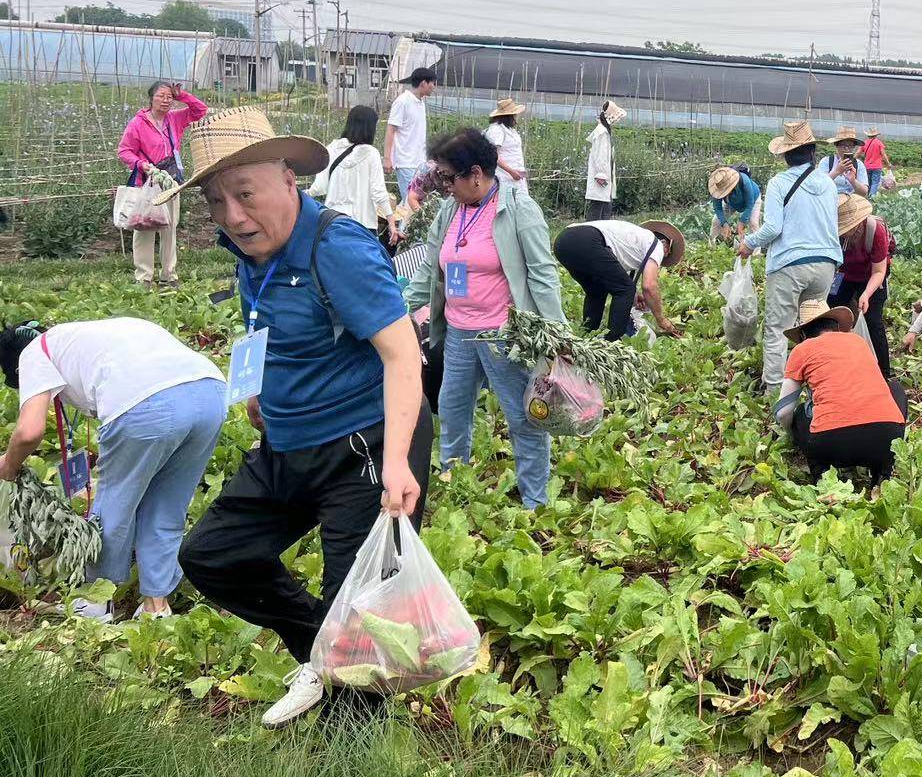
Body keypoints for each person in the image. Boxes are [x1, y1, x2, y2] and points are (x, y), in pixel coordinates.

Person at [163, 106, 431, 729]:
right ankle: (323, 648)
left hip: (361, 444)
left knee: (356, 602)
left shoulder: (336, 247)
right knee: (213, 556)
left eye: (245, 193)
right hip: (286, 442)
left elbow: (402, 355)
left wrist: (396, 461)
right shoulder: (247, 248)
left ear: (288, 179)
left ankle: (350, 766)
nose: (231, 215)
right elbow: (256, 322)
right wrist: (253, 392)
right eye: (215, 200)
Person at [0, 319, 226, 621]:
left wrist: (9, 465)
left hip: (146, 405)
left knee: (114, 509)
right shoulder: (89, 334)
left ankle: (96, 602)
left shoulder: (32, 353)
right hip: (211, 393)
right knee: (167, 506)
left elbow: (29, 432)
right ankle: (156, 607)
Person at [405, 129, 566, 510]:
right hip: (458, 332)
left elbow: (542, 273)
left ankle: (535, 503)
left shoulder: (517, 209)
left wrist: (559, 336)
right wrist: (396, 311)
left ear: (476, 174)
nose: (443, 186)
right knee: (453, 408)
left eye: (449, 177)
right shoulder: (450, 210)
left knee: (522, 416)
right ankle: (454, 484)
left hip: (503, 334)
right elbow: (430, 269)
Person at [738, 121, 842, 396]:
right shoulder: (828, 184)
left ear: (786, 154)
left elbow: (773, 227)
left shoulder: (779, 182)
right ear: (812, 152)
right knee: (814, 328)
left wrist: (749, 244)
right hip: (825, 264)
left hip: (789, 265)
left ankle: (775, 394)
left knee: (778, 329)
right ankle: (815, 387)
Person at [774, 300, 907, 487]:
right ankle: (883, 472)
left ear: (804, 334)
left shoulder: (802, 349)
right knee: (895, 389)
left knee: (799, 415)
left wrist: (793, 435)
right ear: (836, 326)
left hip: (831, 445)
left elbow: (782, 411)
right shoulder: (858, 341)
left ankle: (822, 475)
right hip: (885, 439)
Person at [116, 79, 209, 287]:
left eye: (169, 97)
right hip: (148, 182)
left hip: (171, 181)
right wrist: (141, 164)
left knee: (169, 228)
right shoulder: (138, 123)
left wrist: (182, 96)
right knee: (145, 227)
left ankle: (169, 275)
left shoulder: (174, 120)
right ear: (151, 99)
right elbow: (124, 151)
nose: (165, 101)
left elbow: (200, 110)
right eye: (161, 96)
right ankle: (144, 278)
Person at [552, 218, 685, 343]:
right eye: (664, 258)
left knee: (597, 291)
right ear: (667, 248)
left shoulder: (635, 240)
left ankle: (587, 333)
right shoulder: (658, 246)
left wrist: (633, 296)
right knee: (625, 290)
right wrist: (661, 319)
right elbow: (649, 286)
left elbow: (615, 277)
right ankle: (612, 342)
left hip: (563, 242)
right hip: (588, 241)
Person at [310, 105, 400, 247]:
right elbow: (378, 192)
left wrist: (301, 194)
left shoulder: (331, 150)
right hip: (362, 225)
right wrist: (391, 221)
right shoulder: (371, 153)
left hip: (332, 222)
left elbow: (319, 188)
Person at [830, 194, 894, 376]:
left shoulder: (875, 231)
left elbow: (879, 272)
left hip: (872, 276)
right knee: (832, 311)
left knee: (873, 321)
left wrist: (865, 294)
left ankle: (884, 373)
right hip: (844, 274)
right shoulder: (834, 233)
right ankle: (838, 358)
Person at [384, 67, 436, 201]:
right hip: (405, 162)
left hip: (419, 162)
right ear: (423, 83)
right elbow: (391, 129)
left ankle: (401, 222)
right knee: (410, 204)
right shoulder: (402, 101)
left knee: (417, 203)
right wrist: (387, 158)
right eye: (433, 83)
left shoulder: (420, 103)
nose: (434, 87)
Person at [584, 99, 625, 220]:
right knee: (598, 207)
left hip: (604, 176)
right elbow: (601, 156)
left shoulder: (604, 131)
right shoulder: (602, 133)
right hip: (601, 177)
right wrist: (601, 175)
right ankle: (591, 232)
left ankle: (601, 233)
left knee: (604, 205)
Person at [484, 98, 530, 196]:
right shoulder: (496, 130)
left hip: (515, 176)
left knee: (520, 203)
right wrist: (511, 171)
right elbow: (493, 155)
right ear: (509, 116)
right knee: (506, 202)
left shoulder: (509, 129)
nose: (516, 117)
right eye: (514, 115)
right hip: (503, 176)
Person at [708, 165, 763, 243]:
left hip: (753, 199)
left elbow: (749, 205)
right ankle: (711, 247)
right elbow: (718, 208)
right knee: (716, 221)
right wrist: (724, 224)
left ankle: (756, 253)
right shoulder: (717, 188)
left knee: (753, 223)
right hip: (730, 202)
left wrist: (742, 222)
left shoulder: (744, 181)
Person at [818, 126, 872, 197]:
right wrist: (836, 171)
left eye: (850, 145)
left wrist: (853, 180)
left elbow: (864, 192)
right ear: (836, 145)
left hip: (851, 204)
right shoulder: (826, 162)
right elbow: (819, 186)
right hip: (830, 201)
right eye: (843, 144)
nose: (846, 148)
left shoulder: (858, 164)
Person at [861, 128, 890, 195]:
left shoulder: (864, 143)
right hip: (877, 166)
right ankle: (872, 196)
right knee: (875, 182)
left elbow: (858, 153)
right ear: (876, 135)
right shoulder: (879, 143)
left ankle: (868, 195)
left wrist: (852, 160)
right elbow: (883, 154)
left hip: (867, 166)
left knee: (868, 182)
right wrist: (888, 163)